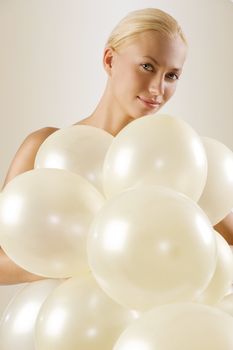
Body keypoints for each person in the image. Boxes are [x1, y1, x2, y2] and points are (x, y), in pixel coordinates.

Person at [0, 8, 232, 284]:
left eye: (172, 76)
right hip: (66, 323)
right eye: (148, 66)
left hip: (149, 325)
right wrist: (90, 260)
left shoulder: (178, 164)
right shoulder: (43, 147)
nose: (158, 89)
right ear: (109, 60)